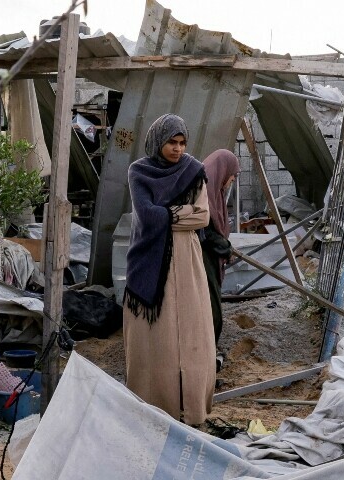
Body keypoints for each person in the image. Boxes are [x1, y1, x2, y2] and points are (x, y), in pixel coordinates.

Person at [123, 114, 215, 426]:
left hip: (187, 260)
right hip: (150, 259)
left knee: (191, 333)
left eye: (181, 143)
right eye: (171, 143)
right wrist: (181, 213)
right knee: (156, 339)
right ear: (157, 142)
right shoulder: (139, 171)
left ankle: (191, 408)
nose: (177, 149)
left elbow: (203, 217)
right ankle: (154, 406)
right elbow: (146, 215)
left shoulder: (193, 170)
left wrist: (166, 214)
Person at [201, 149, 240, 355]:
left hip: (210, 256)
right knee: (210, 307)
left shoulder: (214, 192)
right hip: (202, 259)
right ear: (223, 170)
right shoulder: (203, 190)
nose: (232, 179)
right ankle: (208, 355)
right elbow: (205, 229)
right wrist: (226, 248)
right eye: (233, 174)